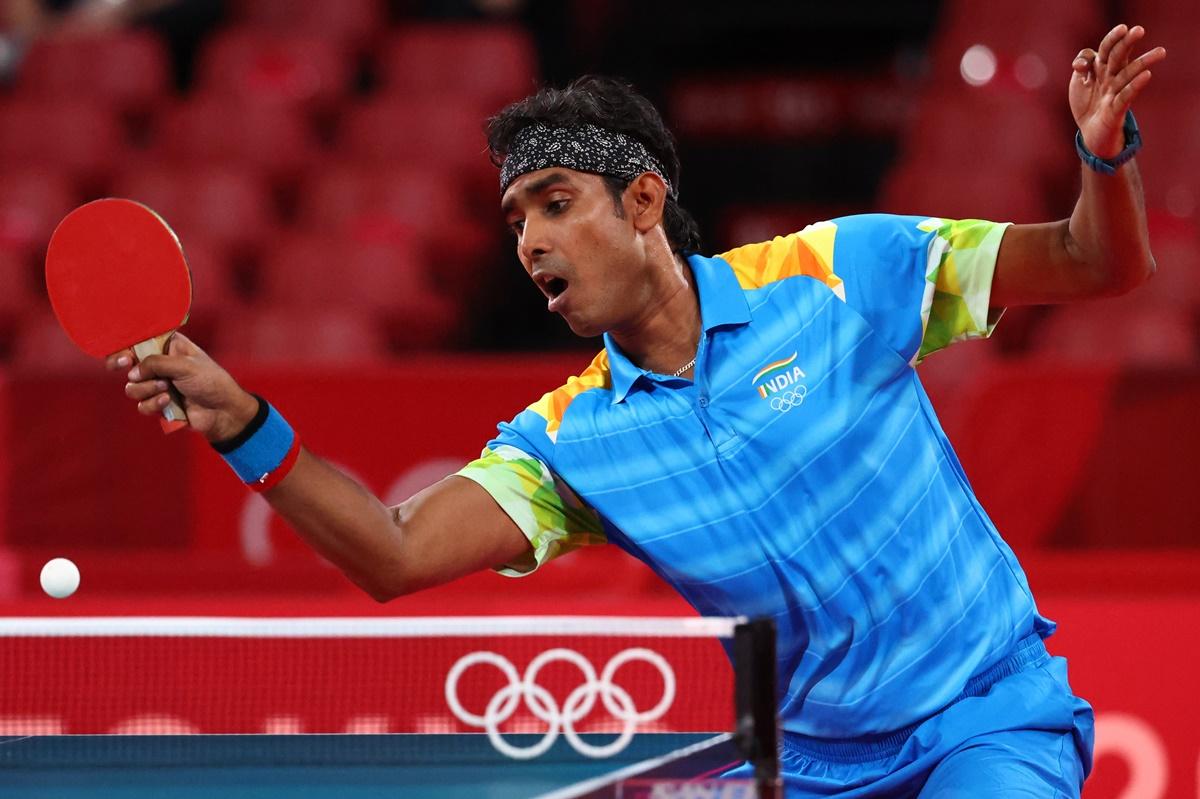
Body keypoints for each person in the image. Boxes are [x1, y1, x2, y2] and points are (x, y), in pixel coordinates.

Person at [112, 23, 1165, 797]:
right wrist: (247, 423)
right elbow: (392, 554)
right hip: (797, 767)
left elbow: (1093, 263)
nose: (531, 243)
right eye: (517, 221)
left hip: (982, 718)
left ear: (645, 202)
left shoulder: (839, 273)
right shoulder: (576, 439)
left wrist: (1102, 156)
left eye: (558, 204)